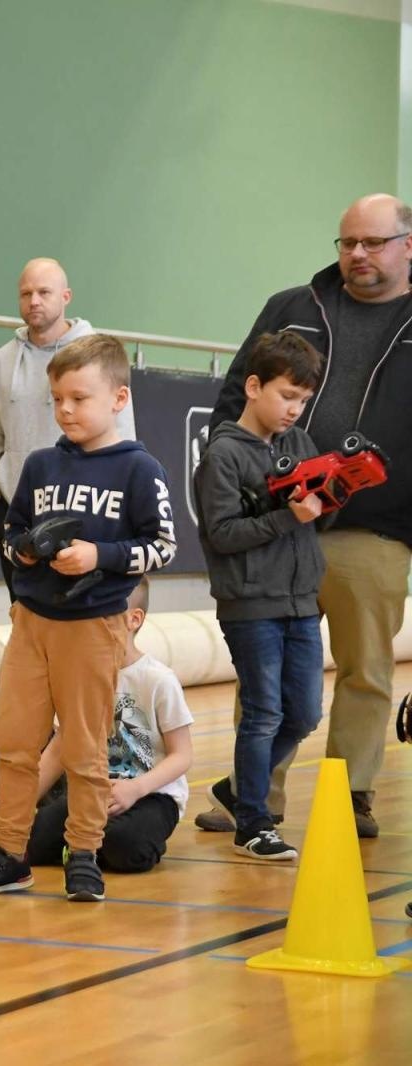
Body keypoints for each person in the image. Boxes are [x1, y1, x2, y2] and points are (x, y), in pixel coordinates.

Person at [206, 194, 412, 839]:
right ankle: (251, 798)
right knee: (262, 672)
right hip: (277, 523)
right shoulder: (293, 306)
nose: (358, 254)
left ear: (408, 245)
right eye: (348, 242)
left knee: (364, 669)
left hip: (374, 528)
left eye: (373, 242)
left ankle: (349, 795)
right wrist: (241, 477)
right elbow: (233, 395)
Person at [0, 334, 177, 903]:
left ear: (119, 398)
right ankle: (10, 854)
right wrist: (25, 551)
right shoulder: (40, 464)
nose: (66, 410)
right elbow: (11, 531)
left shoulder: (140, 468)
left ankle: (83, 853)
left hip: (93, 626)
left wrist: (99, 555)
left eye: (79, 398)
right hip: (32, 622)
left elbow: (163, 546)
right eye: (57, 399)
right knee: (15, 743)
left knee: (83, 747)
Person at [197, 333, 327, 860]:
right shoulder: (223, 454)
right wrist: (286, 517)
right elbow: (223, 534)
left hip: (301, 602)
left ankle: (238, 790)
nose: (294, 409)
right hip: (251, 605)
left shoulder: (301, 444)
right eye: (286, 395)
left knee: (305, 714)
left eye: (303, 400)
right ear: (253, 387)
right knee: (263, 713)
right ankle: (252, 822)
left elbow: (313, 515)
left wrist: (329, 497)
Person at [0, 258, 136, 600]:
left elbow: (123, 434)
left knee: (86, 616)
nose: (34, 301)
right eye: (26, 293)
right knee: (23, 613)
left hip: (88, 516)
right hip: (19, 516)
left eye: (44, 292)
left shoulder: (98, 355)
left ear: (66, 296)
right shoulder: (0, 362)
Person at [27, 579, 192, 873]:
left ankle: (103, 845)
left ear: (133, 619)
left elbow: (182, 755)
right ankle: (85, 848)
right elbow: (61, 746)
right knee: (29, 841)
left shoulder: (158, 680)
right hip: (92, 791)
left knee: (124, 844)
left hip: (152, 795)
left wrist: (136, 788)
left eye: (103, 614)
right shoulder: (81, 676)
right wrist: (22, 799)